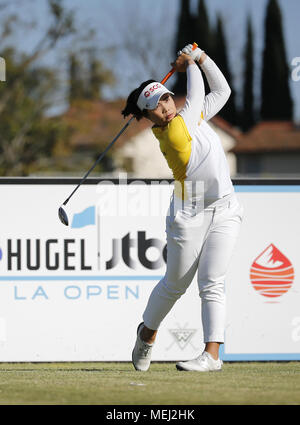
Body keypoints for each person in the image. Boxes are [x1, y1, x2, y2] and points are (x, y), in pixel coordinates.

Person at [122, 43, 244, 372]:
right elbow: (199, 88)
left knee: (212, 281)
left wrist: (201, 58)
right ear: (148, 117)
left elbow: (223, 89)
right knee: (175, 284)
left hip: (225, 208)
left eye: (164, 98)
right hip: (188, 213)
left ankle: (212, 356)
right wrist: (191, 62)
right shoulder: (175, 131)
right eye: (156, 107)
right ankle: (147, 334)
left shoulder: (192, 116)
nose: (164, 107)